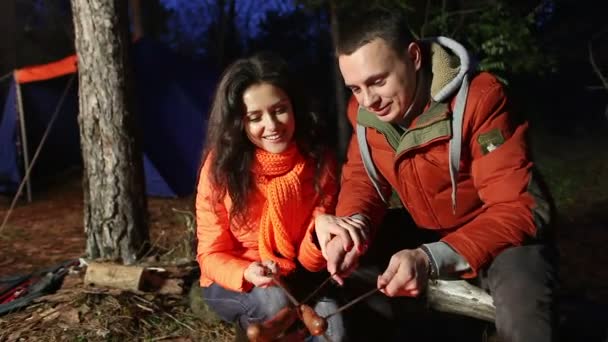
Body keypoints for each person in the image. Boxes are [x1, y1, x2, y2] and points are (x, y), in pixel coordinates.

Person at [314, 7, 559, 342]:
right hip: (428, 230)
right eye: (355, 88)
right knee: (352, 267)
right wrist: (352, 225)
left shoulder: (480, 99)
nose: (368, 100)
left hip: (500, 233)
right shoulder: (364, 114)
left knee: (524, 320)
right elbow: (362, 179)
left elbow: (517, 208)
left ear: (413, 56)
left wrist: (430, 258)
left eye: (377, 81)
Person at [195, 52, 345, 341]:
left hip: (298, 275)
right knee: (274, 302)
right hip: (234, 277)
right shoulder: (221, 169)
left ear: (294, 107)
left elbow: (311, 261)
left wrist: (317, 237)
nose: (272, 125)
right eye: (255, 117)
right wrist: (247, 271)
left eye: (279, 110)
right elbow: (210, 254)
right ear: (239, 123)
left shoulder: (318, 161)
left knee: (334, 327)